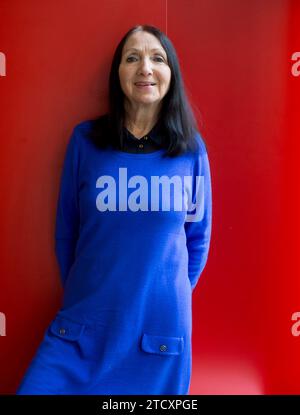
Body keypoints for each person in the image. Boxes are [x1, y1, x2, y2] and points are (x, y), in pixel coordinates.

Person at [16, 24, 212, 395]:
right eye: (132, 58)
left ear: (171, 73)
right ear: (117, 72)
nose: (145, 68)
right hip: (84, 325)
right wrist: (86, 292)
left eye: (157, 58)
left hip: (159, 333)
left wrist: (161, 292)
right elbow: (66, 230)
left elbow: (198, 239)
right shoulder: (85, 141)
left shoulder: (190, 150)